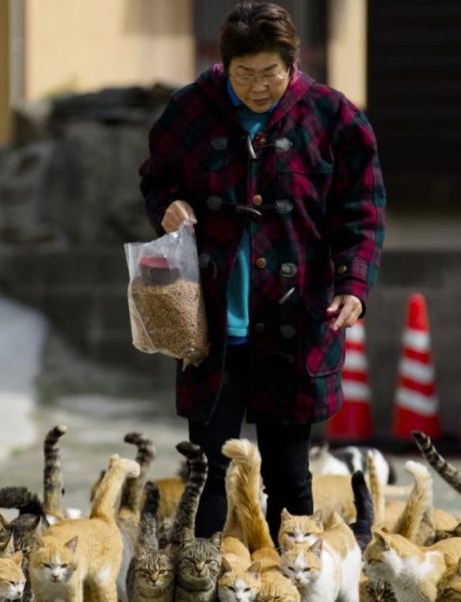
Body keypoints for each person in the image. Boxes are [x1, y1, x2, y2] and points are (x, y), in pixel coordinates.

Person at [138, 1, 385, 542]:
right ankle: (204, 600)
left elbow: (362, 214)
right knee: (206, 474)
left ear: (292, 63)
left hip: (296, 321)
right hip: (209, 327)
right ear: (224, 66)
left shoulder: (333, 117)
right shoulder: (190, 111)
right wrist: (167, 206)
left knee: (290, 478)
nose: (256, 86)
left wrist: (353, 288)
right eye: (243, 74)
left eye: (269, 73)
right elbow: (156, 179)